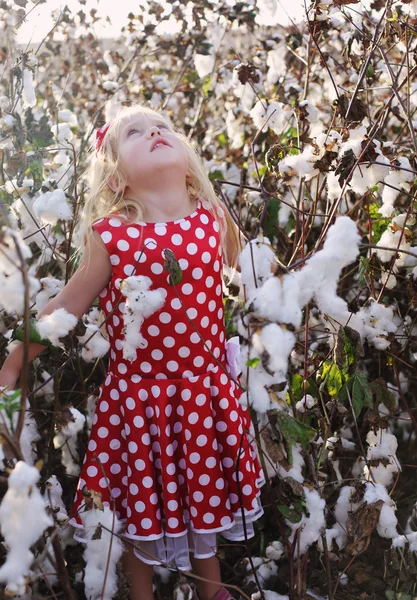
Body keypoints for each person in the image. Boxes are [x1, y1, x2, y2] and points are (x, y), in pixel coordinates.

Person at [0, 104, 266, 600]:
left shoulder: (211, 217)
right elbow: (67, 308)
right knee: (139, 507)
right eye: (137, 134)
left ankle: (212, 591)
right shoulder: (114, 236)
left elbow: (248, 275)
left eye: (164, 127)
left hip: (203, 393)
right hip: (140, 402)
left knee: (203, 495)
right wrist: (16, 359)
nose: (157, 133)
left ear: (186, 157)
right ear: (117, 179)